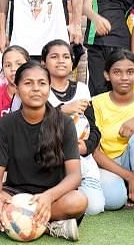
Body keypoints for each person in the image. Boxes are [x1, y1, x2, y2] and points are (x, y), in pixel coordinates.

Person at [0, 61, 87, 241]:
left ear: (49, 88)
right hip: (13, 194)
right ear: (17, 89)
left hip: (51, 197)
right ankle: (50, 225)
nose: (36, 88)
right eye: (28, 83)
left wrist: (49, 196)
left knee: (79, 201)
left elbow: (74, 176)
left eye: (42, 83)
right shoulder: (7, 124)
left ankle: (1, 221)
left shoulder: (64, 122)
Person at [41, 39, 104, 216]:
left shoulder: (83, 89)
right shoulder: (39, 89)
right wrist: (62, 109)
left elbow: (94, 128)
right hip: (52, 162)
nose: (61, 61)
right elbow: (34, 125)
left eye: (66, 57)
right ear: (43, 62)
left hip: (82, 161)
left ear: (72, 62)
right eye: (54, 56)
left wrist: (87, 146)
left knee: (95, 207)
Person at [91, 49, 134, 211]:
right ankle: (129, 185)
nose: (124, 78)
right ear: (107, 75)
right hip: (108, 164)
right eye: (117, 72)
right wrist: (129, 176)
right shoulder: (96, 103)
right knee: (113, 200)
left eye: (130, 72)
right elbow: (95, 152)